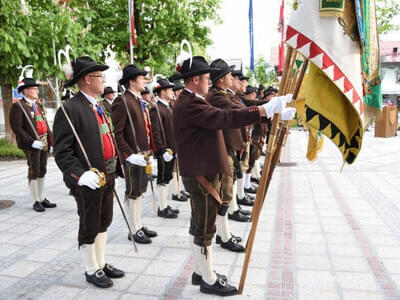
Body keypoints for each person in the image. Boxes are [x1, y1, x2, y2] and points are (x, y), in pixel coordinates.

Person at [173, 55, 284, 296]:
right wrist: (263, 109)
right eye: (205, 78)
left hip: (202, 170)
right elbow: (225, 118)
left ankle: (201, 271)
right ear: (194, 80)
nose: (208, 82)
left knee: (200, 223)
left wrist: (263, 109)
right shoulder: (190, 103)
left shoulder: (194, 100)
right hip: (201, 173)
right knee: (204, 227)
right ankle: (208, 278)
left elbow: (229, 113)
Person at [53, 56, 125, 288]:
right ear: (86, 79)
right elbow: (62, 151)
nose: (104, 80)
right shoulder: (70, 109)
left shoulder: (101, 105)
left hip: (107, 174)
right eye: (100, 76)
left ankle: (101, 262)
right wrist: (79, 174)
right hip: (88, 179)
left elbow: (108, 137)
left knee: (104, 220)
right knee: (89, 222)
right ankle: (91, 268)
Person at [111, 64, 158, 244]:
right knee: (133, 192)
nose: (143, 81)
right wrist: (128, 154)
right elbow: (118, 132)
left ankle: (138, 224)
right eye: (140, 78)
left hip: (143, 154)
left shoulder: (138, 100)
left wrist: (149, 152)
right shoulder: (122, 101)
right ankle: (133, 228)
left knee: (140, 190)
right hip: (133, 156)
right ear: (131, 82)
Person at [206, 59, 248, 252]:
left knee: (227, 193)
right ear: (222, 79)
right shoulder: (216, 96)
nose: (233, 78)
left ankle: (224, 233)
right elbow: (240, 110)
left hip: (227, 149)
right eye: (230, 75)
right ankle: (222, 236)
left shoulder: (224, 94)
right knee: (225, 194)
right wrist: (265, 110)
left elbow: (242, 104)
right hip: (220, 151)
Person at [10, 77, 56, 212]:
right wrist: (31, 141)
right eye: (34, 89)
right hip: (31, 144)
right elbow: (17, 127)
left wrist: (51, 142)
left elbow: (46, 125)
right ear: (26, 91)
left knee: (42, 169)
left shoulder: (38, 105)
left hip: (43, 143)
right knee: (34, 170)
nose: (37, 91)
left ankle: (42, 198)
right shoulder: (18, 106)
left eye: (36, 89)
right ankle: (36, 200)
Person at [149, 77, 180, 218]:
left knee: (167, 178)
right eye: (169, 89)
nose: (172, 92)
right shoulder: (156, 109)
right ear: (162, 92)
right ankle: (161, 207)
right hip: (165, 150)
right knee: (162, 178)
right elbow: (155, 132)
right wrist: (161, 150)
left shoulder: (168, 107)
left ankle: (165, 204)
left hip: (172, 148)